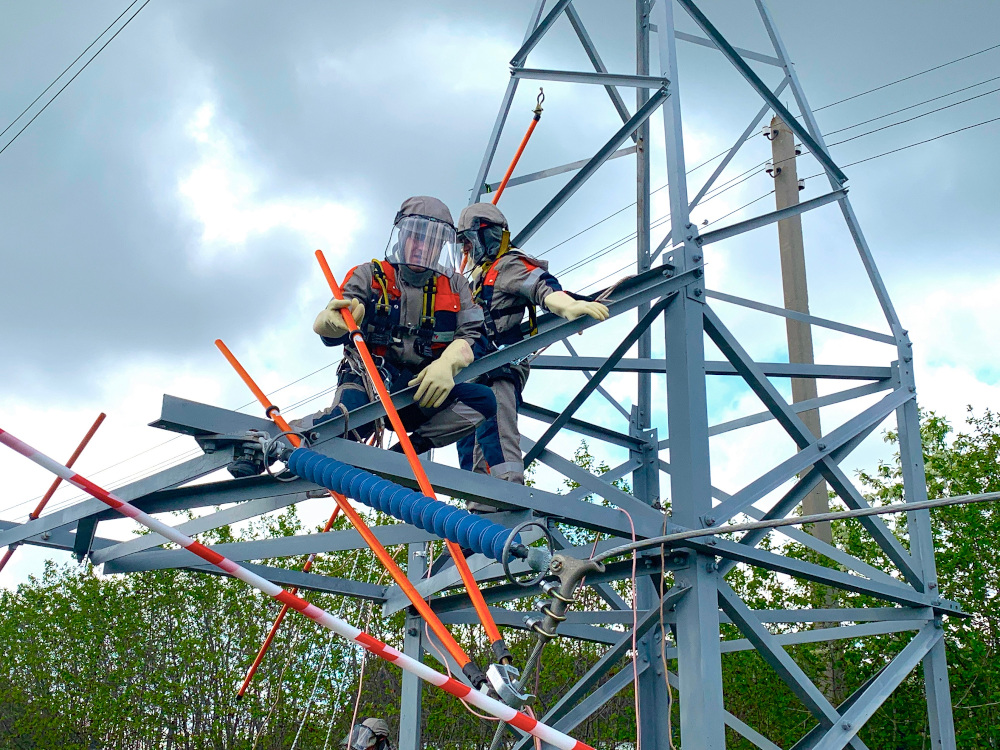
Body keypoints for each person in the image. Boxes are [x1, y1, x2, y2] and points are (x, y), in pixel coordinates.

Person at [294, 196, 504, 462]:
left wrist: (447, 365)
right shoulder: (370, 274)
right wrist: (332, 322)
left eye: (431, 241)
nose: (421, 247)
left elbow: (474, 335)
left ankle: (406, 453)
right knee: (346, 426)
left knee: (482, 400)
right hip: (370, 378)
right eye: (415, 237)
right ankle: (276, 439)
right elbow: (339, 315)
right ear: (402, 237)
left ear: (440, 247)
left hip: (421, 386)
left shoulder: (456, 287)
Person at [454, 203, 609, 498]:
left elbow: (541, 286)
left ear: (487, 236)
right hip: (470, 373)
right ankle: (478, 505)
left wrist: (567, 304)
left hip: (496, 366)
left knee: (496, 432)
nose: (467, 251)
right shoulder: (475, 279)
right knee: (464, 438)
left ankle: (507, 496)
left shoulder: (507, 266)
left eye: (469, 242)